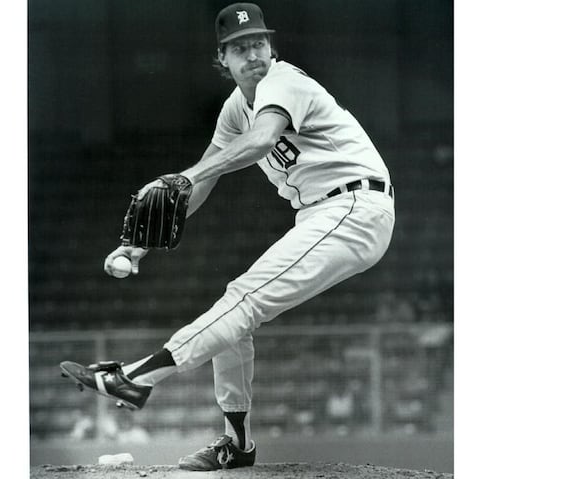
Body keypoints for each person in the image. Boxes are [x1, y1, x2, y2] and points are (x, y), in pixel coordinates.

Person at [60, 2, 395, 471]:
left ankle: (135, 377)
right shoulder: (235, 108)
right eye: (240, 47)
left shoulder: (284, 81)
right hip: (323, 213)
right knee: (235, 314)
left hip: (355, 207)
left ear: (271, 47)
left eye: (258, 42)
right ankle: (236, 444)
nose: (252, 53)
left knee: (242, 300)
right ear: (224, 59)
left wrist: (183, 175)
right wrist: (138, 245)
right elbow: (201, 182)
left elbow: (258, 143)